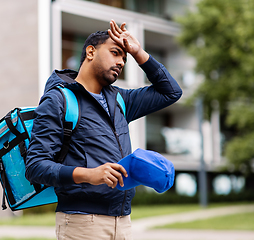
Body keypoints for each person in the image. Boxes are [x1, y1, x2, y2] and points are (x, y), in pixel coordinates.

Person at [25, 20, 182, 240]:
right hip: (82, 223)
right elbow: (35, 166)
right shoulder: (58, 100)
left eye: (124, 59)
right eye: (115, 53)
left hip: (123, 221)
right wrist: (90, 175)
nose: (120, 62)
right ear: (91, 51)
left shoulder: (120, 99)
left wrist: (138, 53)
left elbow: (171, 92)